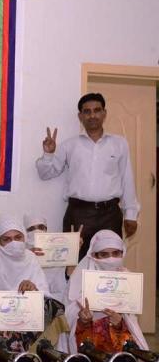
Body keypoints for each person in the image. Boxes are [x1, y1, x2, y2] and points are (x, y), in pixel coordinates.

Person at [36, 93, 139, 259]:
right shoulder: (70, 145)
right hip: (78, 213)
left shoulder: (119, 144)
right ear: (80, 116)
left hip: (110, 214)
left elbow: (127, 179)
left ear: (104, 113)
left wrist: (131, 214)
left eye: (97, 110)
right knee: (72, 264)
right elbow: (45, 174)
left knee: (109, 265)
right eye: (87, 111)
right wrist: (48, 154)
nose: (92, 115)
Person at [61, 230, 148, 353]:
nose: (111, 259)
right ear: (94, 256)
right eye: (104, 254)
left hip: (118, 345)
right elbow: (67, 319)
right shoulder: (79, 280)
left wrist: (119, 323)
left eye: (116, 253)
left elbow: (131, 322)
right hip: (89, 346)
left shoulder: (127, 278)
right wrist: (83, 320)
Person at [0, 214, 49, 352]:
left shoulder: (31, 258)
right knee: (6, 336)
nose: (13, 243)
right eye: (6, 239)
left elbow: (45, 295)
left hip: (28, 315)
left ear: (24, 237)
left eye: (18, 237)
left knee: (53, 310)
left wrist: (34, 289)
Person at [24, 213, 71, 303]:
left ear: (46, 230)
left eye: (41, 227)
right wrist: (28, 256)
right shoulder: (19, 256)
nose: (37, 231)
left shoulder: (57, 255)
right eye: (31, 229)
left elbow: (61, 287)